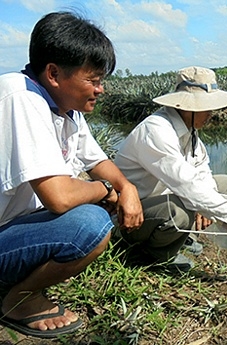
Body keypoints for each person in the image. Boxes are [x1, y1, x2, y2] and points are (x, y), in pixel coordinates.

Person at [0, 12, 143, 338]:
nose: (100, 89)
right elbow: (60, 197)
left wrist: (126, 187)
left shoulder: (65, 109)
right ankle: (19, 300)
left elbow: (95, 159)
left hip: (12, 226)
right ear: (53, 73)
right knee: (90, 225)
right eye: (92, 80)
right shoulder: (20, 97)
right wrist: (106, 190)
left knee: (99, 208)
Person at [113, 66, 227, 272]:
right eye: (207, 108)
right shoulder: (156, 131)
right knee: (180, 211)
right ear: (187, 107)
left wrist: (205, 206)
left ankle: (183, 237)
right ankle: (154, 258)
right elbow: (187, 186)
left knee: (224, 185)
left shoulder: (190, 133)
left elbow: (201, 173)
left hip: (162, 199)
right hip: (131, 216)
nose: (211, 113)